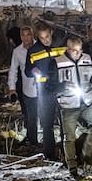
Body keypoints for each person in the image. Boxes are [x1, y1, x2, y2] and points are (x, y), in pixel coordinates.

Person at [53, 36, 92, 180]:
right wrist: (62, 86)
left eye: (80, 50)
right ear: (68, 49)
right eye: (75, 51)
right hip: (69, 105)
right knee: (69, 137)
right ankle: (72, 167)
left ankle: (87, 155)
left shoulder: (87, 58)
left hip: (87, 101)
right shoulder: (57, 62)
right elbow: (49, 86)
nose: (78, 53)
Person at [24, 21, 66, 160]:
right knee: (47, 124)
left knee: (65, 122)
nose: (45, 40)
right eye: (42, 38)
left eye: (47, 36)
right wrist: (32, 70)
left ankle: (67, 151)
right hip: (44, 91)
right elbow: (27, 70)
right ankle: (50, 154)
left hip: (61, 88)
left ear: (51, 33)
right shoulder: (33, 51)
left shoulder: (61, 45)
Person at [8, 26, 38, 146]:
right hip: (27, 88)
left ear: (32, 35)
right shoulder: (17, 52)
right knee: (30, 115)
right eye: (23, 35)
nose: (26, 38)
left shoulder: (39, 47)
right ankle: (33, 140)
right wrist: (12, 88)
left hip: (42, 88)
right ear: (21, 37)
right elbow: (13, 70)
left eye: (28, 35)